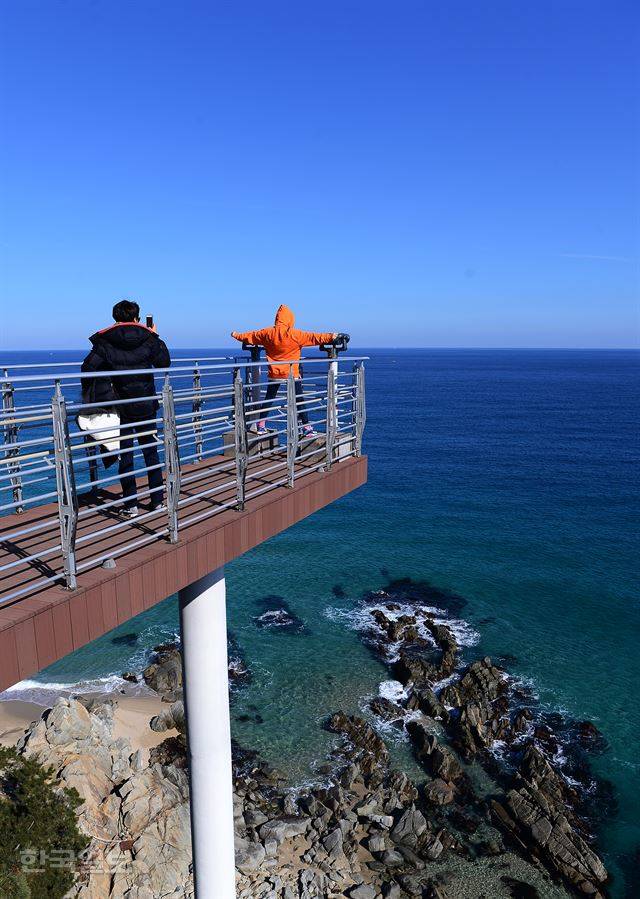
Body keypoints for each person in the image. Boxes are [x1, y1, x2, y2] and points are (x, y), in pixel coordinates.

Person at [81, 300, 171, 518]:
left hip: (121, 406)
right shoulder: (149, 338)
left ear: (115, 318)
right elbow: (164, 363)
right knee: (150, 451)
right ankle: (157, 500)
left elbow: (88, 368)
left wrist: (102, 388)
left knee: (126, 454)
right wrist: (155, 336)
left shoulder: (106, 341)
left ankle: (131, 504)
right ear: (137, 318)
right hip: (146, 405)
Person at [231, 304, 339, 436]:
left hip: (274, 373)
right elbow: (314, 337)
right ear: (289, 319)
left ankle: (260, 425)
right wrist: (331, 336)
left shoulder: (267, 333)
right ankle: (306, 428)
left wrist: (236, 335)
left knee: (268, 399)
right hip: (291, 373)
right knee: (299, 400)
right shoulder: (295, 334)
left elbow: (250, 336)